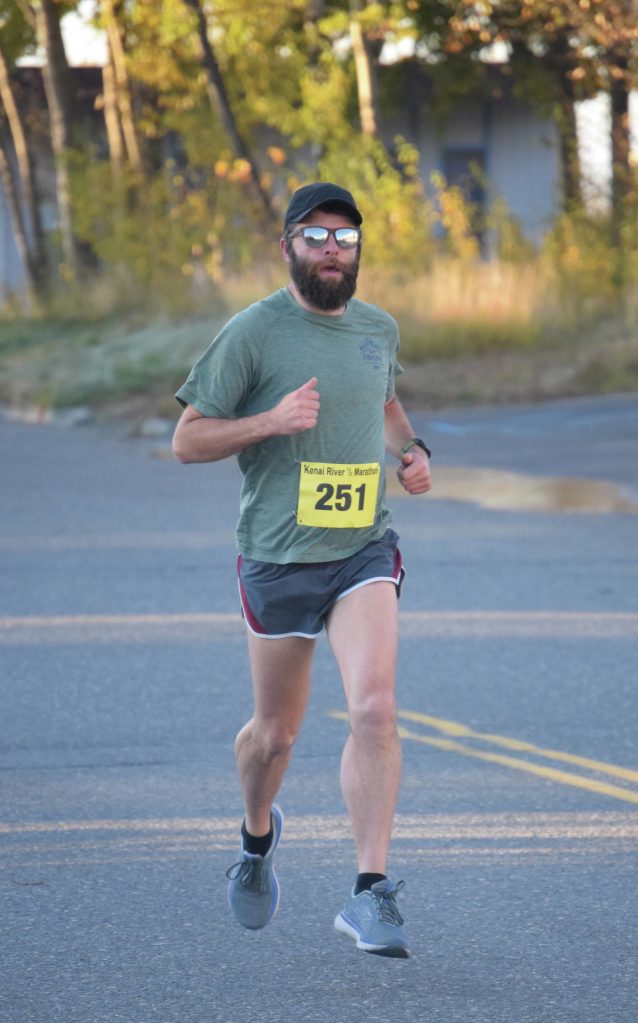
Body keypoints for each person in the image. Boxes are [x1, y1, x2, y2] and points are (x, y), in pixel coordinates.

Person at [172, 182, 431, 958]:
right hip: (279, 556)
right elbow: (187, 439)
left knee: (376, 708)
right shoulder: (253, 332)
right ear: (287, 245)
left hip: (362, 548)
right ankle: (256, 839)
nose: (331, 249)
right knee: (275, 735)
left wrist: (413, 453)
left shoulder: (377, 328)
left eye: (344, 237)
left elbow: (384, 403)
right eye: (315, 236)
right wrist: (271, 421)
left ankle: (369, 893)